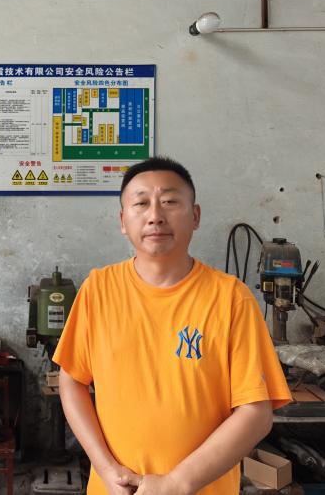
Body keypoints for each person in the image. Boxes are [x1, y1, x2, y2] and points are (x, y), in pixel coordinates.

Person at [53, 156, 291, 495]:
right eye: (141, 204)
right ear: (123, 221)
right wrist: (106, 469)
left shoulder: (230, 298)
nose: (155, 215)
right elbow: (72, 380)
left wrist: (177, 484)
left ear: (195, 216)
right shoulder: (98, 290)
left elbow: (256, 412)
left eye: (169, 201)